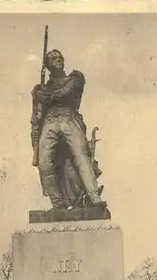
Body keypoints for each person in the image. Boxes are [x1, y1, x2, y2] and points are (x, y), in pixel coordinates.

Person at [31, 49, 106, 209]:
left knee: (81, 156)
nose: (58, 60)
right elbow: (36, 118)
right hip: (49, 122)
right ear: (47, 65)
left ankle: (94, 197)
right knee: (44, 163)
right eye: (53, 58)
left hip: (69, 119)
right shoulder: (40, 89)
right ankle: (58, 204)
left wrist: (44, 95)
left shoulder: (75, 78)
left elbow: (66, 93)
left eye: (59, 57)